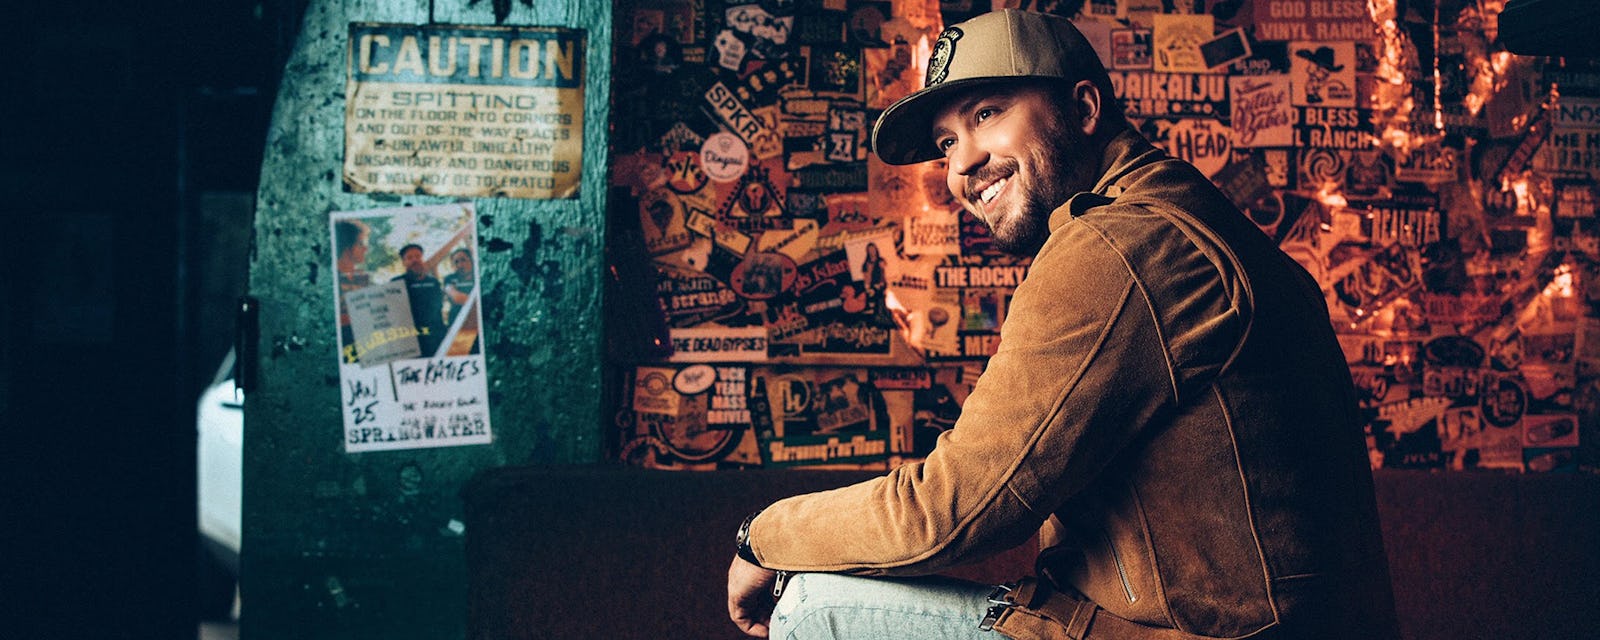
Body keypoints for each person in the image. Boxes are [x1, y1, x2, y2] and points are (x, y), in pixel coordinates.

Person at [727, 10, 1397, 640]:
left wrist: (760, 535)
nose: (961, 166)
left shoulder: (1116, 247)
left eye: (987, 114)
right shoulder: (1194, 220)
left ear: (1083, 108)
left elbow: (949, 512)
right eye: (947, 141)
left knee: (815, 603)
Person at [392, 243, 448, 358]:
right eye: (409, 257)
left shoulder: (434, 282)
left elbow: (437, 309)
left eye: (418, 256)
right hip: (409, 343)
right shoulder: (395, 283)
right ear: (403, 262)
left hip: (435, 340)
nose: (415, 260)